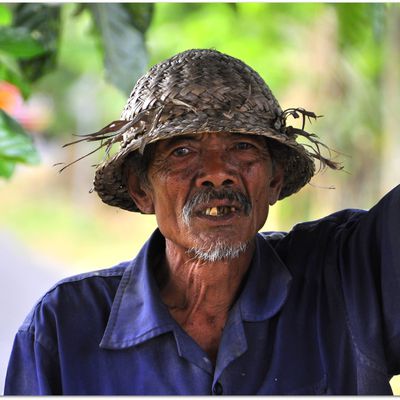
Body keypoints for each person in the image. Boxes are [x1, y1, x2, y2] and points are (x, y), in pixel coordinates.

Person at [4, 49, 400, 395]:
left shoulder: (347, 277)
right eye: (182, 151)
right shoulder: (62, 328)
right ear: (141, 190)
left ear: (274, 180)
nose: (217, 173)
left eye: (242, 147)